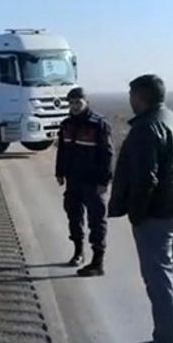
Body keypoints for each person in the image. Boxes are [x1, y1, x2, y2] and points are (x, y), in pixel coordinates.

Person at [110, 74, 173, 343]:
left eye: (132, 94)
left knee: (158, 276)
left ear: (141, 96)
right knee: (165, 270)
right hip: (167, 208)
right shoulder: (168, 119)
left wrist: (136, 214)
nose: (129, 99)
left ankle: (166, 336)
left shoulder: (147, 128)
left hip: (155, 214)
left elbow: (146, 178)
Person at [55, 87, 114, 276]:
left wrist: (104, 181)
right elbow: (62, 150)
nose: (74, 106)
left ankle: (98, 261)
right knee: (74, 216)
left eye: (78, 102)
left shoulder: (98, 125)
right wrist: (60, 172)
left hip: (93, 182)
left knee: (96, 221)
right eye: (71, 103)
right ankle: (78, 251)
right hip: (74, 180)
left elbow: (107, 155)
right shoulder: (66, 125)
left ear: (86, 102)